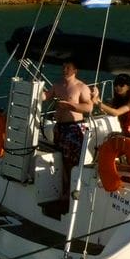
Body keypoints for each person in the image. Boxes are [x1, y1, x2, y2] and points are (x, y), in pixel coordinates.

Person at [41, 59, 93, 217]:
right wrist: (35, 89)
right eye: (63, 67)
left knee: (72, 162)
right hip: (60, 128)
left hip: (73, 128)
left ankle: (72, 192)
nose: (64, 70)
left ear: (75, 70)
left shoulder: (81, 87)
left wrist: (71, 106)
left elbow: (89, 107)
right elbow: (46, 96)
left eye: (68, 67)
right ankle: (64, 191)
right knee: (61, 160)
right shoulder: (57, 85)